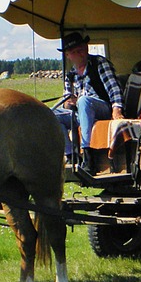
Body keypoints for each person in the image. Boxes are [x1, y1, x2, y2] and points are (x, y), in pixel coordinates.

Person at [55, 31, 123, 174]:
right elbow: (66, 101)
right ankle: (71, 155)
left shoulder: (99, 63)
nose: (79, 54)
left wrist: (117, 109)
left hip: (101, 108)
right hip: (81, 113)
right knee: (52, 114)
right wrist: (69, 103)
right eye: (74, 52)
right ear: (68, 56)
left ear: (86, 48)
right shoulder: (71, 75)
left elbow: (114, 88)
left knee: (84, 101)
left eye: (81, 49)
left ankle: (88, 157)